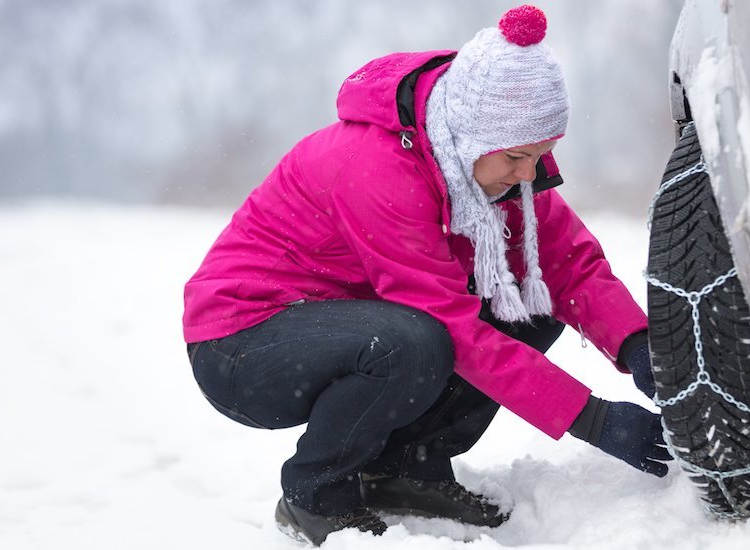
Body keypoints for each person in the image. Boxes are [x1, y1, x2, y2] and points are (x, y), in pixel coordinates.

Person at [183, 5, 669, 546]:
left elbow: (566, 265)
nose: (528, 173)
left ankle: (405, 469)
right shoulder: (376, 169)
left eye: (541, 154)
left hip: (352, 325)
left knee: (526, 303)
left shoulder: (492, 171)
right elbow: (453, 328)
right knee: (411, 343)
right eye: (517, 156)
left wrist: (642, 350)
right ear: (469, 136)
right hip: (242, 344)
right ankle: (315, 497)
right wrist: (594, 419)